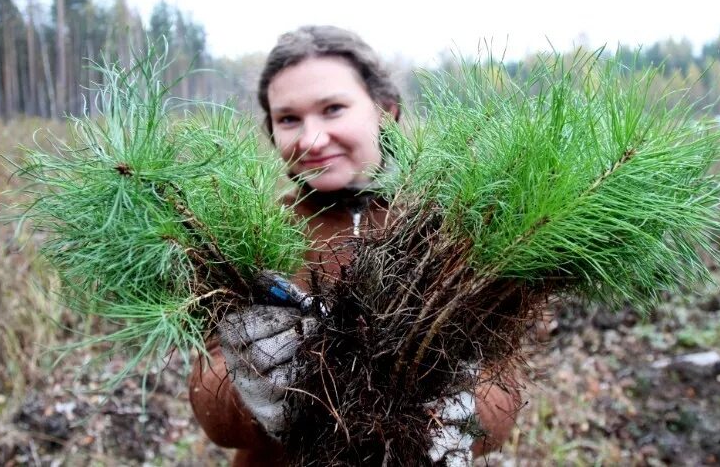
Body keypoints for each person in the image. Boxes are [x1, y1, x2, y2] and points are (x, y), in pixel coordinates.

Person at [188, 25, 521, 466]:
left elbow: (503, 378)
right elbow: (208, 388)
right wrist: (253, 396)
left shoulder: (450, 231)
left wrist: (465, 416)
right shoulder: (248, 238)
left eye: (333, 109)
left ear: (386, 111)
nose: (310, 139)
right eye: (288, 119)